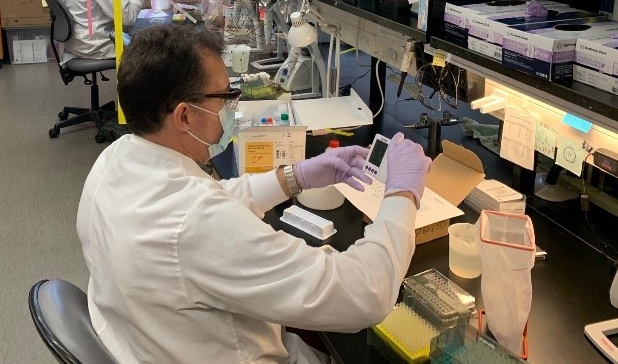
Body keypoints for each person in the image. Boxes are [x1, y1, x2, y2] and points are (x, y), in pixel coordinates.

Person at [76, 25, 433, 363]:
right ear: (184, 116)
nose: (233, 106)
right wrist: (402, 195)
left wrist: (296, 176)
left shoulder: (115, 160)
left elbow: (213, 199)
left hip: (145, 343)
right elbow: (365, 294)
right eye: (225, 97)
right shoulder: (197, 222)